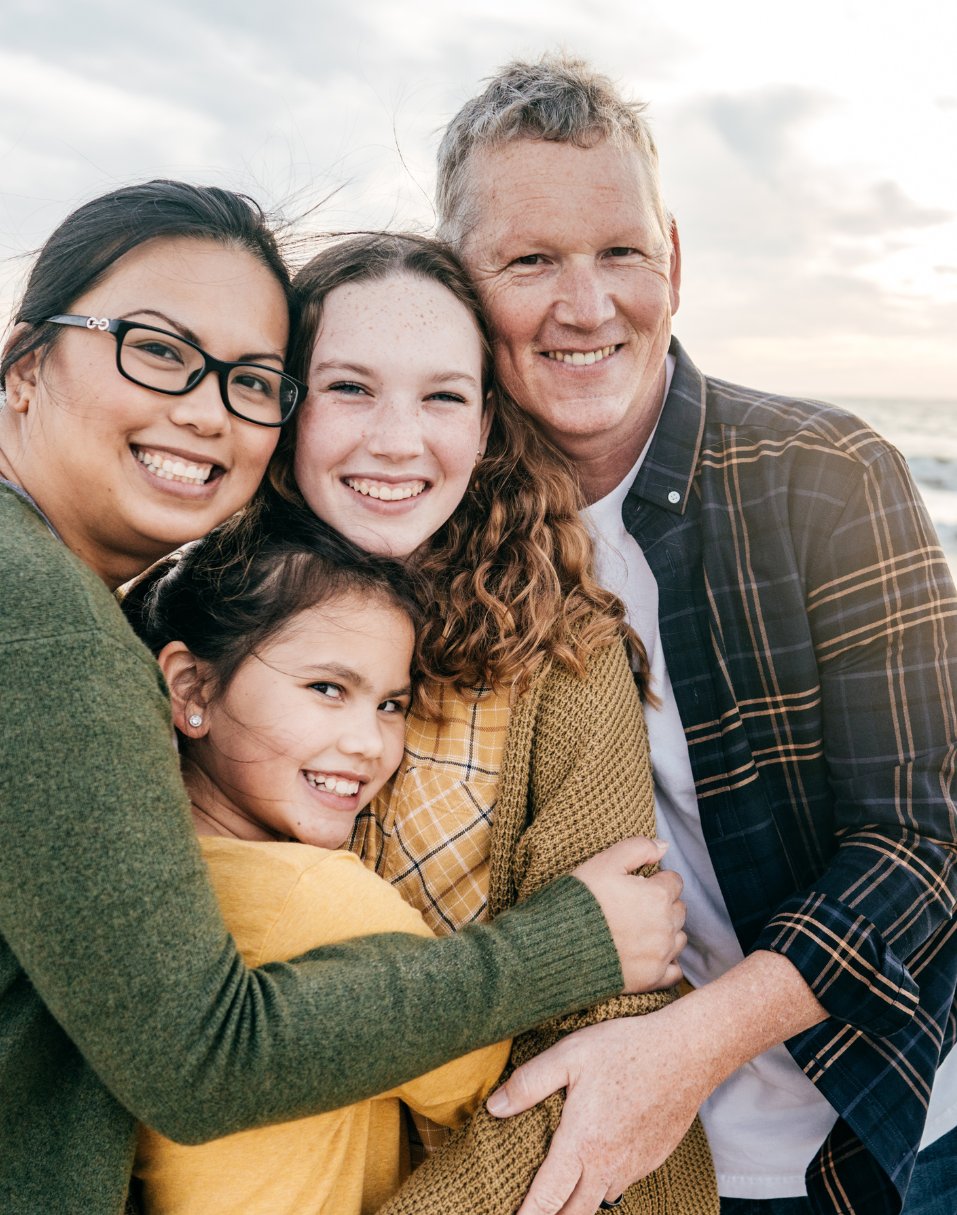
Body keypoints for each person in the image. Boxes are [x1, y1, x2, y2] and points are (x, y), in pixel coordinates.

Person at [0, 181, 686, 1215]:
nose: (203, 410)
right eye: (159, 351)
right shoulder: (20, 616)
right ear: (27, 365)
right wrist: (556, 947)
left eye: (248, 380)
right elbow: (205, 1058)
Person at [438, 58, 957, 1215]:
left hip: (861, 1118)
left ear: (674, 263)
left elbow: (921, 855)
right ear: (460, 283)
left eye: (620, 253)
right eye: (531, 260)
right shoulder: (433, 519)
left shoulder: (829, 479)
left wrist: (678, 1058)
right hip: (582, 1129)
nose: (586, 305)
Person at [264, 231, 717, 1215]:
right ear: (285, 403)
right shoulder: (198, 634)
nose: (397, 440)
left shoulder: (565, 658)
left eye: (442, 395)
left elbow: (603, 1026)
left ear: (487, 424)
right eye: (349, 387)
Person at [124, 503, 517, 1215]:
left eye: (392, 704)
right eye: (327, 689)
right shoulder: (312, 894)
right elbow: (492, 1080)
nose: (370, 743)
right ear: (192, 688)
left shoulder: (136, 872)